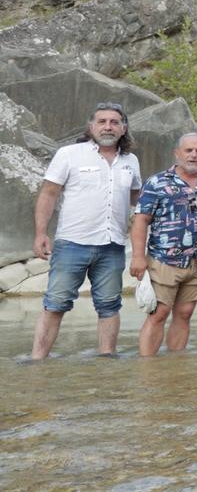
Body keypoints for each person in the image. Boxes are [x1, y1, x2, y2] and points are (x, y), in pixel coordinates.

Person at [29, 102, 142, 359]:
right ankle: (37, 361)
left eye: (114, 122)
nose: (108, 127)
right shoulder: (69, 154)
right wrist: (40, 233)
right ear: (91, 127)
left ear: (123, 128)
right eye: (102, 121)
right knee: (55, 304)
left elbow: (138, 197)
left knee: (110, 306)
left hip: (113, 245)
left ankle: (106, 361)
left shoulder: (131, 161)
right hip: (72, 244)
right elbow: (48, 193)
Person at [129, 133, 197, 356]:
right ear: (177, 153)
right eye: (189, 150)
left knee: (185, 314)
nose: (193, 155)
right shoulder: (157, 182)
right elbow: (140, 220)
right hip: (165, 259)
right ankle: (147, 369)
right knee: (159, 313)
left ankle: (175, 365)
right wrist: (138, 257)